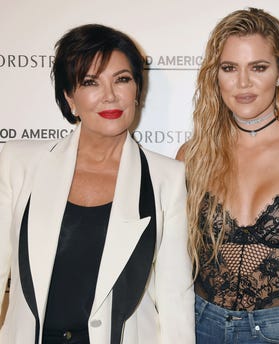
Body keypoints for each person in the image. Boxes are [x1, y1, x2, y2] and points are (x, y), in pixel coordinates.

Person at [0, 24, 194, 344]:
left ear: (137, 90)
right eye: (91, 82)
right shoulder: (19, 163)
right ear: (69, 98)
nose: (110, 95)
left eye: (122, 79)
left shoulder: (166, 179)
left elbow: (176, 300)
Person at [176, 7, 279, 344]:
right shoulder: (192, 155)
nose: (243, 83)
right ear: (216, 75)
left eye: (258, 67)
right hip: (199, 325)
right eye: (230, 68)